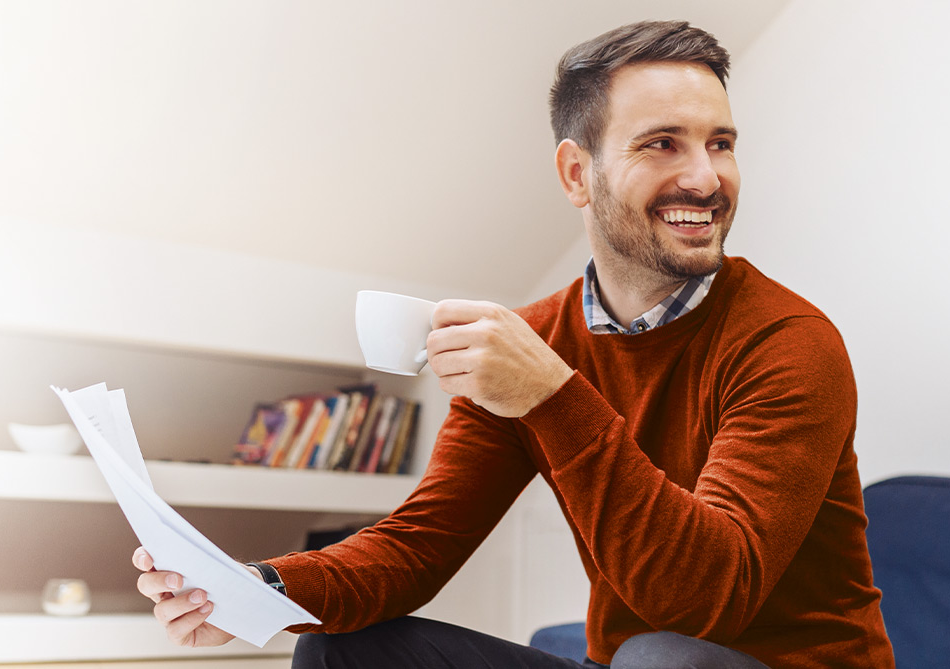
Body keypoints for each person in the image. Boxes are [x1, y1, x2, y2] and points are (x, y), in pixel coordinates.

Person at [130, 20, 894, 669]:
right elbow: (419, 544)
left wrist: (554, 397)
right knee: (343, 650)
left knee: (662, 655)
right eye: (663, 143)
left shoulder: (788, 343)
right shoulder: (532, 341)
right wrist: (251, 587)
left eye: (720, 143)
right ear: (576, 173)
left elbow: (700, 598)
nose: (706, 176)